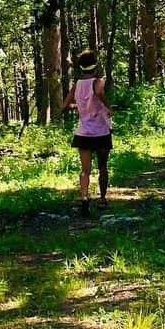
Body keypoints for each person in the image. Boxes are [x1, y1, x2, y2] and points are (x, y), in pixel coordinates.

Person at [63, 48, 112, 216]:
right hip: (101, 132)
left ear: (81, 66)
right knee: (103, 166)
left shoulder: (76, 85)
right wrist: (108, 106)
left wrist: (79, 106)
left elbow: (65, 106)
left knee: (85, 169)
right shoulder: (98, 81)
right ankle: (103, 199)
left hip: (83, 133)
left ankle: (84, 198)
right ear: (95, 64)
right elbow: (98, 93)